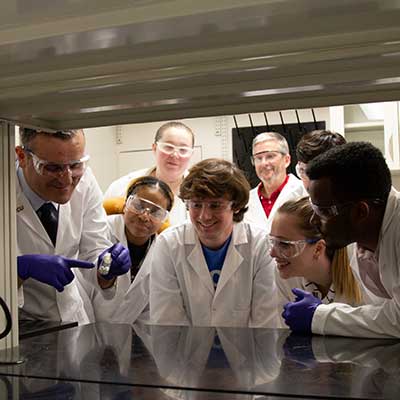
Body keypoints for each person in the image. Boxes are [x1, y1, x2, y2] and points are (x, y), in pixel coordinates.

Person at [282, 141, 400, 338]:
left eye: (323, 211)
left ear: (361, 212)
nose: (313, 220)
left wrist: (320, 317)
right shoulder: (361, 239)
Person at [15, 128, 131, 324]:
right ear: (22, 156)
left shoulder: (85, 179)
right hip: (17, 324)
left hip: (73, 320)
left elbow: (94, 250)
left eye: (76, 164)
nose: (67, 179)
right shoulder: (4, 187)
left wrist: (107, 268)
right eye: (52, 168)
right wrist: (18, 270)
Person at [149, 158, 277, 327]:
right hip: (186, 350)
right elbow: (167, 323)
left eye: (215, 205)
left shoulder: (260, 245)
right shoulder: (169, 244)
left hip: (246, 351)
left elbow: (266, 323)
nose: (204, 216)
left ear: (236, 205)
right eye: (196, 205)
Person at [269, 196, 378, 328]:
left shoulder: (362, 268)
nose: (272, 253)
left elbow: (383, 328)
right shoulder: (286, 273)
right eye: (272, 242)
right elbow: (290, 335)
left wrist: (321, 316)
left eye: (284, 244)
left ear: (318, 248)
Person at [105, 176, 174, 323]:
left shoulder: (164, 250)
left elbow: (153, 308)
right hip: (87, 324)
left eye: (156, 213)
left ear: (164, 219)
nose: (144, 216)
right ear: (126, 204)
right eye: (139, 206)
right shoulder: (101, 230)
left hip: (134, 334)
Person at [103, 121, 195, 225]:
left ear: (191, 154)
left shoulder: (199, 192)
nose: (175, 155)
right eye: (168, 147)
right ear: (154, 148)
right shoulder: (121, 187)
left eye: (183, 150)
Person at [244, 132, 306, 232]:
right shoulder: (245, 201)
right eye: (258, 158)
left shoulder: (305, 193)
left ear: (287, 160)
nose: (264, 163)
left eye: (270, 156)